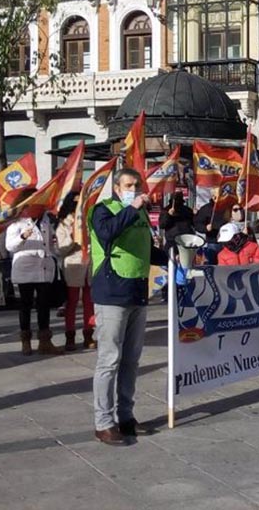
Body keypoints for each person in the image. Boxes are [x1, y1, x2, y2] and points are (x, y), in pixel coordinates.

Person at [90, 168, 167, 446]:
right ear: (117, 187)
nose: (133, 189)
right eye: (128, 185)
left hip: (137, 290)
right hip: (112, 291)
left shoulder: (141, 214)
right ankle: (103, 422)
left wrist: (176, 255)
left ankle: (126, 416)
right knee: (109, 360)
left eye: (136, 185)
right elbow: (107, 233)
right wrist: (132, 207)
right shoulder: (103, 210)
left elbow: (146, 249)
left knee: (131, 360)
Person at [6, 188, 62, 355]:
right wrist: (22, 237)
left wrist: (56, 245)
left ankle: (45, 341)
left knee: (43, 305)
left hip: (44, 268)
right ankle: (26, 341)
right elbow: (10, 246)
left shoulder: (45, 220)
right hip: (26, 269)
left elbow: (52, 246)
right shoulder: (17, 222)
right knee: (25, 305)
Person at [56, 195, 94, 351]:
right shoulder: (64, 224)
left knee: (89, 302)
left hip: (89, 264)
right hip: (73, 264)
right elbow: (61, 248)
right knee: (71, 303)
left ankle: (88, 334)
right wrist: (73, 236)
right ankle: (70, 336)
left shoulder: (89, 221)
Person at [193, 192, 224, 265]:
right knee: (212, 265)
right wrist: (205, 228)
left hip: (228, 243)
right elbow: (197, 224)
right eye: (216, 196)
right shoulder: (206, 209)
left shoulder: (227, 207)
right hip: (213, 241)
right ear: (212, 196)